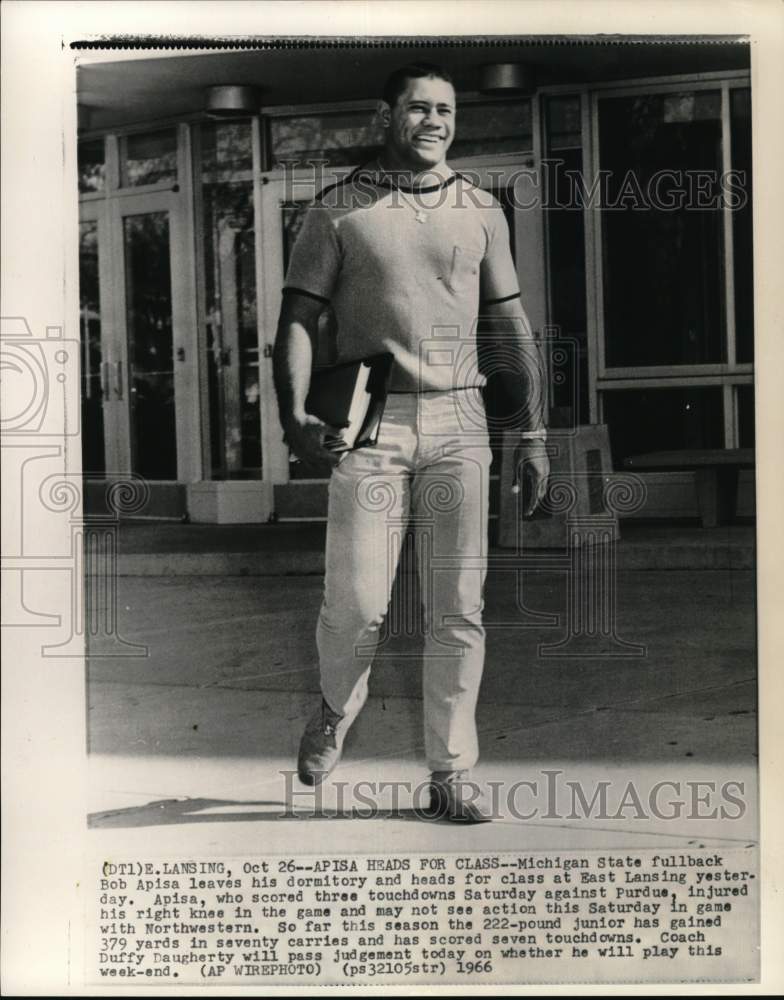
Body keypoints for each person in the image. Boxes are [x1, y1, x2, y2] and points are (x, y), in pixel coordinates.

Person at [273, 63, 549, 823]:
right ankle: (335, 707)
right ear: (385, 114)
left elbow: (510, 327)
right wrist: (293, 411)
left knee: (459, 609)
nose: (435, 122)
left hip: (461, 422)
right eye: (419, 108)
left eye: (446, 111)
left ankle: (451, 771)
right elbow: (296, 320)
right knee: (359, 603)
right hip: (371, 427)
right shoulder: (338, 212)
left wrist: (531, 431)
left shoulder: (482, 209)